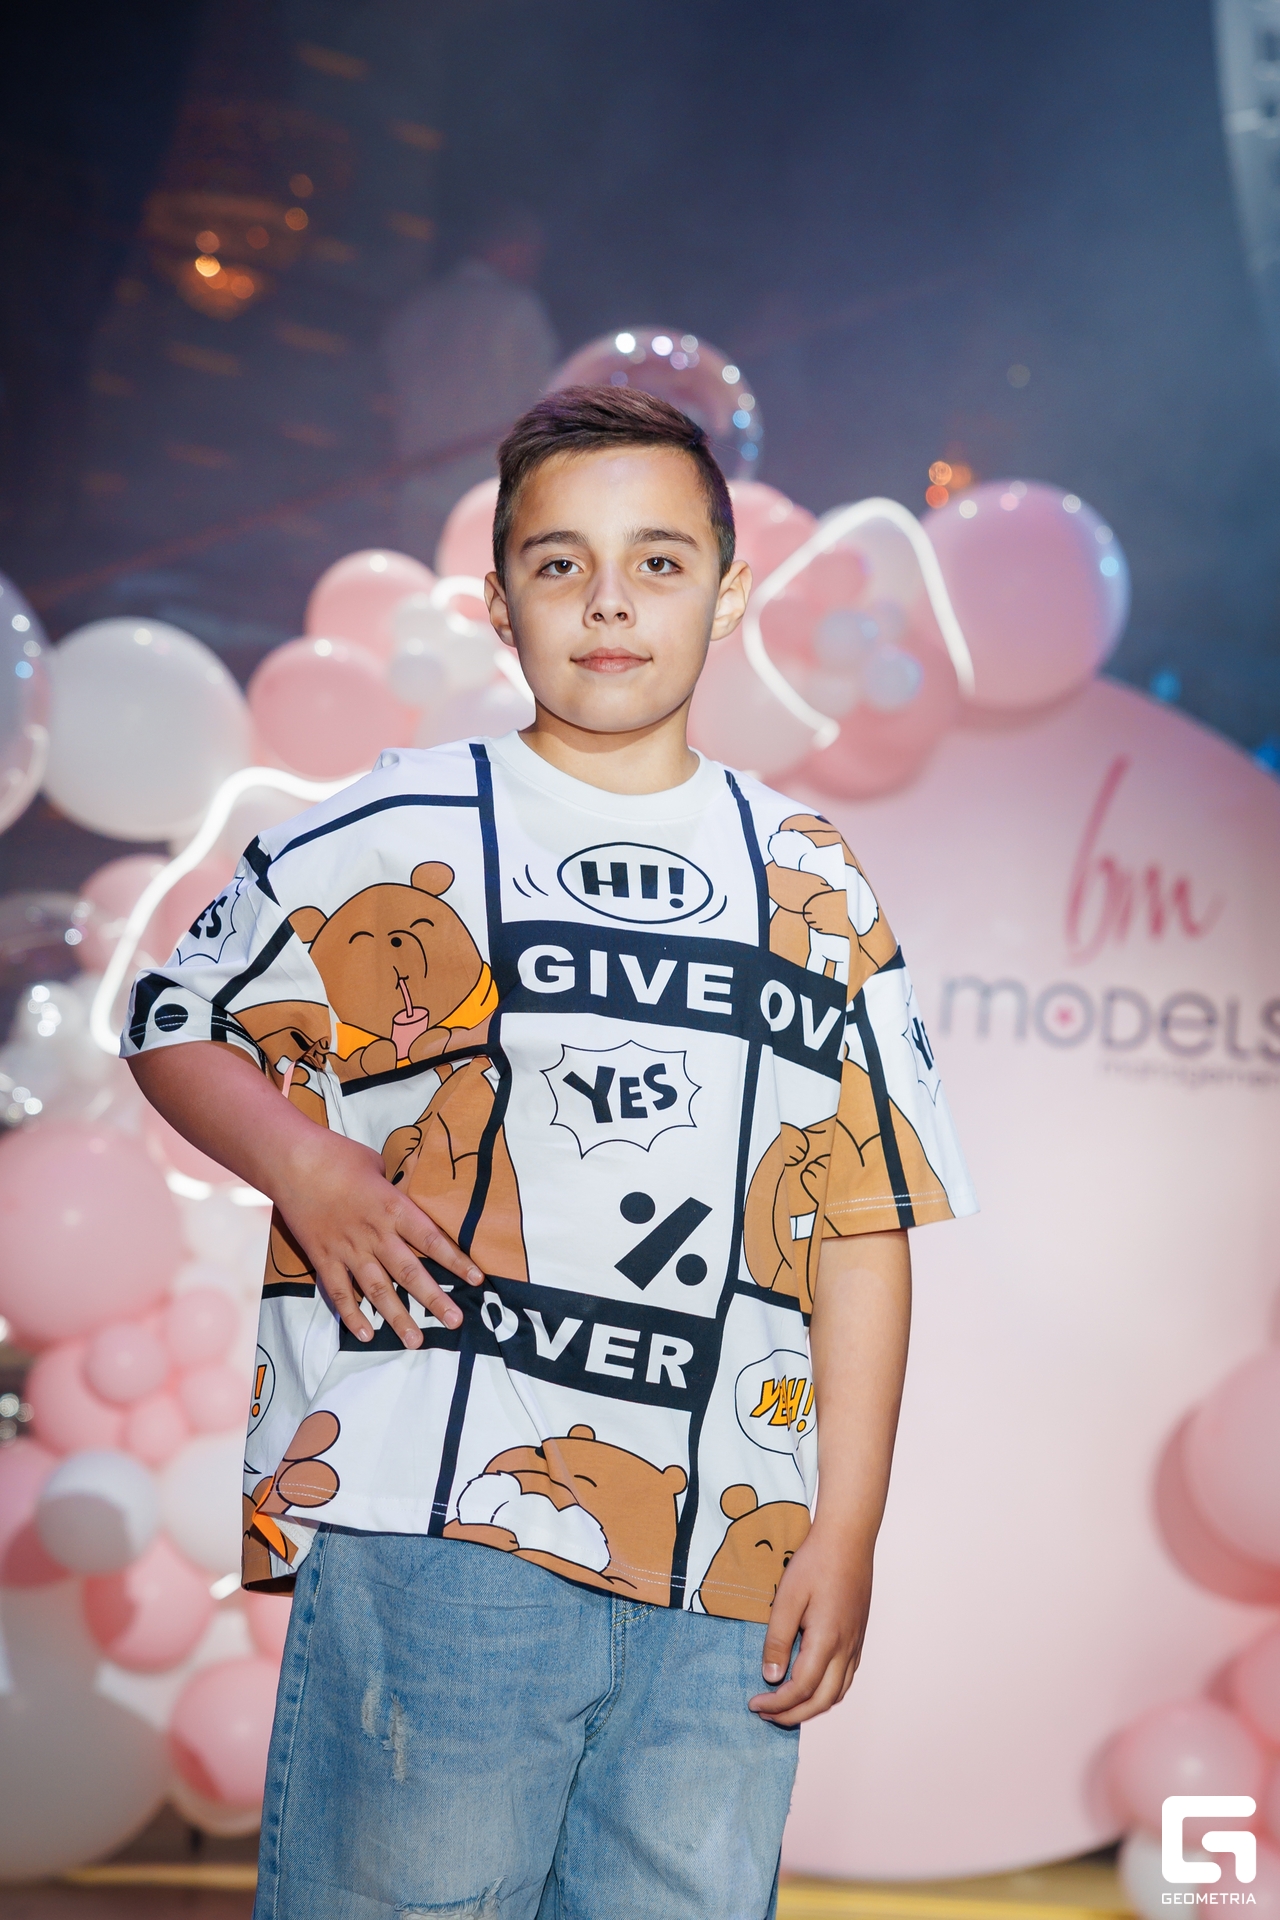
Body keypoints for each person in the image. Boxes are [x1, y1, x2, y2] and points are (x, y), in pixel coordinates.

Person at [124, 386, 977, 1920]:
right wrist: (309, 1168)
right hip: (442, 1516)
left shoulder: (813, 880)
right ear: (498, 601)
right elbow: (174, 1015)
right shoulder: (402, 820)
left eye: (658, 562)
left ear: (728, 596)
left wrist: (844, 1527)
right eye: (559, 562)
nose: (608, 601)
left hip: (728, 1552)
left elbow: (863, 1218)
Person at [382, 205, 558, 566]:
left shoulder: (417, 309)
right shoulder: (517, 310)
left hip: (415, 487)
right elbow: (545, 404)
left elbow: (391, 393)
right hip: (486, 494)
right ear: (508, 247)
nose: (534, 264)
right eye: (530, 251)